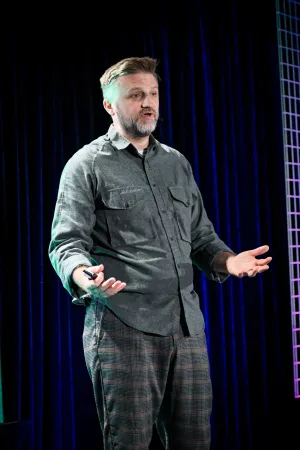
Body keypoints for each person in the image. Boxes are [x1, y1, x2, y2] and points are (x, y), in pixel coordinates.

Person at [48, 57, 272, 450]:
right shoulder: (86, 165)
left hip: (186, 328)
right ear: (109, 105)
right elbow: (65, 244)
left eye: (152, 94)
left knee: (194, 442)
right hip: (123, 327)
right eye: (136, 95)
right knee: (129, 443)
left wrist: (229, 261)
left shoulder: (175, 163)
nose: (148, 102)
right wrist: (85, 277)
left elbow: (202, 238)